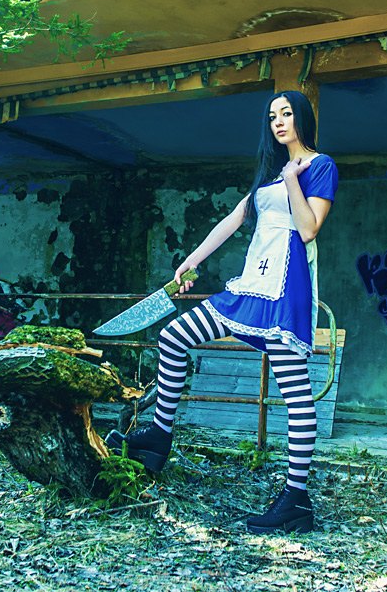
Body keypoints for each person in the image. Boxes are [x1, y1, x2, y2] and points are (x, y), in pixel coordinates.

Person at [106, 90, 338, 534]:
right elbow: (232, 221)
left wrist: (293, 178)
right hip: (250, 282)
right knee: (174, 336)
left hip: (284, 288)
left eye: (287, 113)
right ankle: (158, 437)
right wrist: (191, 262)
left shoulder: (320, 165)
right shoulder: (269, 176)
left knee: (295, 393)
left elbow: (309, 229)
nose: (279, 122)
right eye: (272, 116)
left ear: (303, 118)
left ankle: (296, 498)